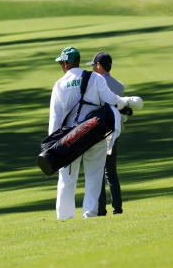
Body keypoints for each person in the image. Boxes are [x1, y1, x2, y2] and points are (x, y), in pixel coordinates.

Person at [49, 46, 129, 220]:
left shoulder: (59, 85)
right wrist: (127, 101)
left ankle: (65, 217)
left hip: (70, 139)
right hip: (95, 134)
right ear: (77, 61)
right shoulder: (95, 78)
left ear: (64, 63)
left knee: (67, 179)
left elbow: (55, 119)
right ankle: (90, 215)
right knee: (94, 176)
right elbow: (112, 99)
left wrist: (54, 147)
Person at [91, 52, 125, 216]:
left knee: (98, 171)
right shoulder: (119, 86)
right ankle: (117, 208)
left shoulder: (94, 84)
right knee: (111, 172)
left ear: (99, 65)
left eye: (93, 65)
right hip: (114, 131)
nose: (92, 68)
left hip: (97, 132)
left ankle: (100, 209)